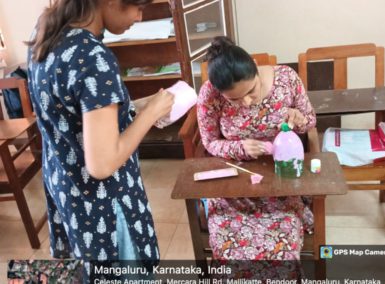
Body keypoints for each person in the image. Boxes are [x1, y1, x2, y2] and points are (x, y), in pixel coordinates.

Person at [26, 0, 174, 273]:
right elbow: (102, 164)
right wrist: (151, 113)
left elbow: (71, 117)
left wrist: (132, 107)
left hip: (68, 191)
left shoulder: (48, 35)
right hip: (104, 205)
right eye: (137, 7)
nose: (140, 17)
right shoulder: (93, 56)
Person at [197, 36, 316, 261]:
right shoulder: (209, 94)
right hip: (233, 184)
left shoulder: (286, 78)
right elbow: (209, 142)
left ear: (255, 69)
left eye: (252, 91)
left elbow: (310, 120)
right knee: (230, 250)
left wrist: (299, 119)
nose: (247, 103)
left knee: (282, 248)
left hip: (281, 179)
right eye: (235, 100)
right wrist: (239, 148)